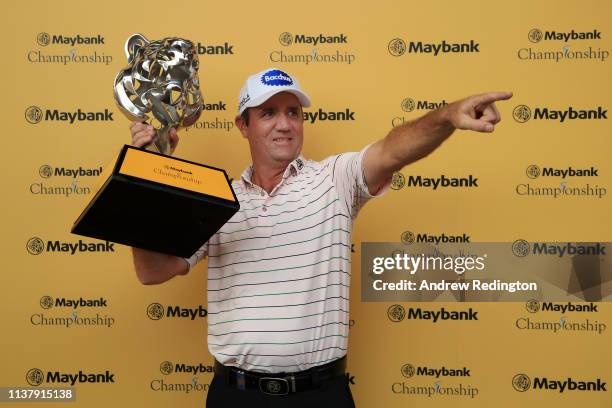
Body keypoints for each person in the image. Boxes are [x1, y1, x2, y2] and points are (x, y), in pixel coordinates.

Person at [129, 67, 512, 407]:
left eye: (293, 112)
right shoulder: (216, 198)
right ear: (243, 126)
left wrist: (446, 117)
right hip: (235, 397)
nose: (285, 124)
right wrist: (143, 178)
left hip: (321, 396)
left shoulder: (335, 179)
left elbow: (393, 151)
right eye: (268, 113)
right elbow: (153, 270)